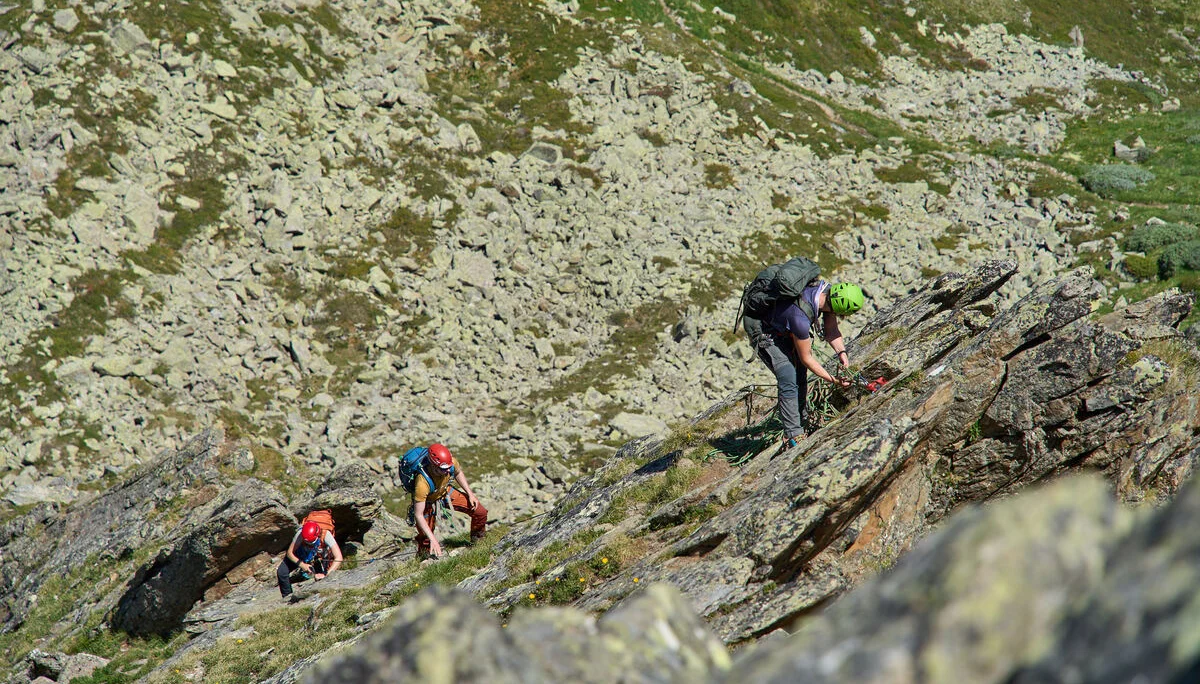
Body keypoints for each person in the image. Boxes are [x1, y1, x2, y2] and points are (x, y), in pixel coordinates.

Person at [759, 281, 864, 449]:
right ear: (837, 306)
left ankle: (802, 420)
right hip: (765, 331)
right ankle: (793, 435)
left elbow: (831, 331)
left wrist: (842, 354)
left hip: (784, 327)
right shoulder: (800, 318)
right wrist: (834, 380)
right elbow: (807, 359)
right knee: (788, 376)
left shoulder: (827, 295)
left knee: (800, 374)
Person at [411, 443, 487, 560]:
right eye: (443, 469)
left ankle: (478, 541)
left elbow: (458, 472)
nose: (447, 472)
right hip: (427, 501)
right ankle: (424, 556)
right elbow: (418, 515)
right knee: (425, 536)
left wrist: (470, 494)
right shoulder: (422, 483)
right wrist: (433, 539)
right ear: (433, 466)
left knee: (479, 512)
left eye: (448, 468)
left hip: (445, 492)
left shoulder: (450, 463)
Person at [277, 519, 343, 602]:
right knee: (282, 572)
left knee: (320, 578)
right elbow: (290, 553)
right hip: (300, 555)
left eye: (312, 542)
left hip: (317, 557)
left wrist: (326, 575)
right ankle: (287, 598)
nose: (309, 544)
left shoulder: (326, 535)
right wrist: (302, 565)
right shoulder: (301, 534)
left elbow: (338, 557)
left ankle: (320, 597)